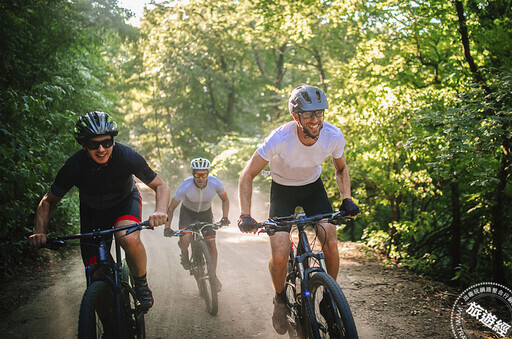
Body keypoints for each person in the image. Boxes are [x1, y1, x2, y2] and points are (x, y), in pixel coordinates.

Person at [237, 85, 360, 334]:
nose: (316, 120)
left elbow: (340, 168)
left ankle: (329, 298)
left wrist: (346, 198)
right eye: (308, 115)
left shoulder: (333, 136)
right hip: (282, 190)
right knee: (281, 255)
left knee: (330, 237)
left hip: (313, 188)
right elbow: (247, 174)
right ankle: (280, 298)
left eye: (319, 113)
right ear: (296, 117)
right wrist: (245, 214)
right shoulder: (279, 138)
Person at [28, 111, 169, 311]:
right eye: (94, 144)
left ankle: (141, 285)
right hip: (92, 211)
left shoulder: (126, 156)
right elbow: (47, 202)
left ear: (113, 140)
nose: (101, 149)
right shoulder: (74, 165)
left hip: (124, 202)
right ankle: (109, 324)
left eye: (107, 142)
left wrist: (160, 211)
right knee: (95, 274)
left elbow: (161, 186)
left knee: (127, 237)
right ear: (84, 145)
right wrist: (40, 231)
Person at [163, 157, 230, 292]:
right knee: (185, 239)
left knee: (211, 244)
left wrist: (224, 217)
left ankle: (213, 276)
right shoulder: (185, 185)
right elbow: (171, 208)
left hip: (205, 214)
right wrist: (167, 227)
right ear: (192, 173)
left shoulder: (215, 183)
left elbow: (225, 200)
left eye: (203, 174)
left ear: (208, 173)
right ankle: (184, 252)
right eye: (197, 174)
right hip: (188, 214)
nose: (200, 178)